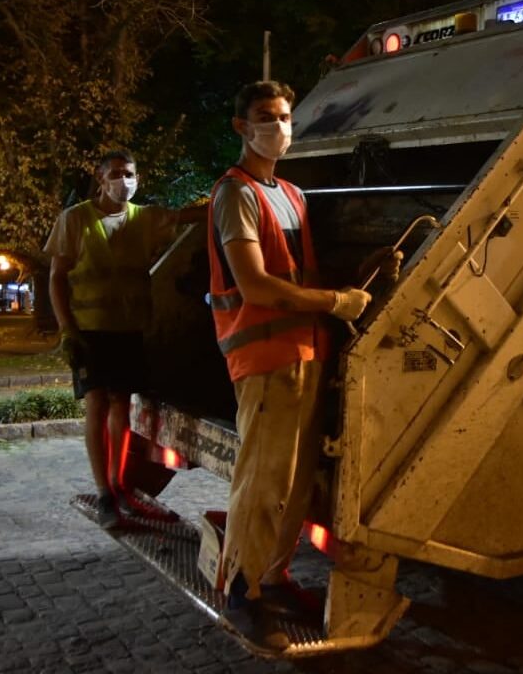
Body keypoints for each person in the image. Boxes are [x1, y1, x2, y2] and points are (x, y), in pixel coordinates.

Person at [208, 80, 398, 652]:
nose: (279, 127)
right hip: (266, 358)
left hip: (305, 353)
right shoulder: (235, 194)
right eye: (266, 117)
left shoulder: (291, 194)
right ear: (242, 127)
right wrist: (336, 303)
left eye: (286, 117)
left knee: (291, 486)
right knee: (262, 482)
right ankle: (241, 595)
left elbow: (298, 276)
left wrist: (359, 276)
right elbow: (256, 286)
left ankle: (271, 580)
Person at [46, 149, 205, 528]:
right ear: (100, 178)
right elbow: (56, 277)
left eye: (130, 173)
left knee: (122, 408)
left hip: (129, 330)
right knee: (97, 405)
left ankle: (119, 487)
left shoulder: (144, 219)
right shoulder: (75, 219)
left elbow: (187, 216)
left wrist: (235, 199)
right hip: (89, 332)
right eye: (116, 173)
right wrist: (67, 329)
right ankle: (105, 492)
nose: (124, 180)